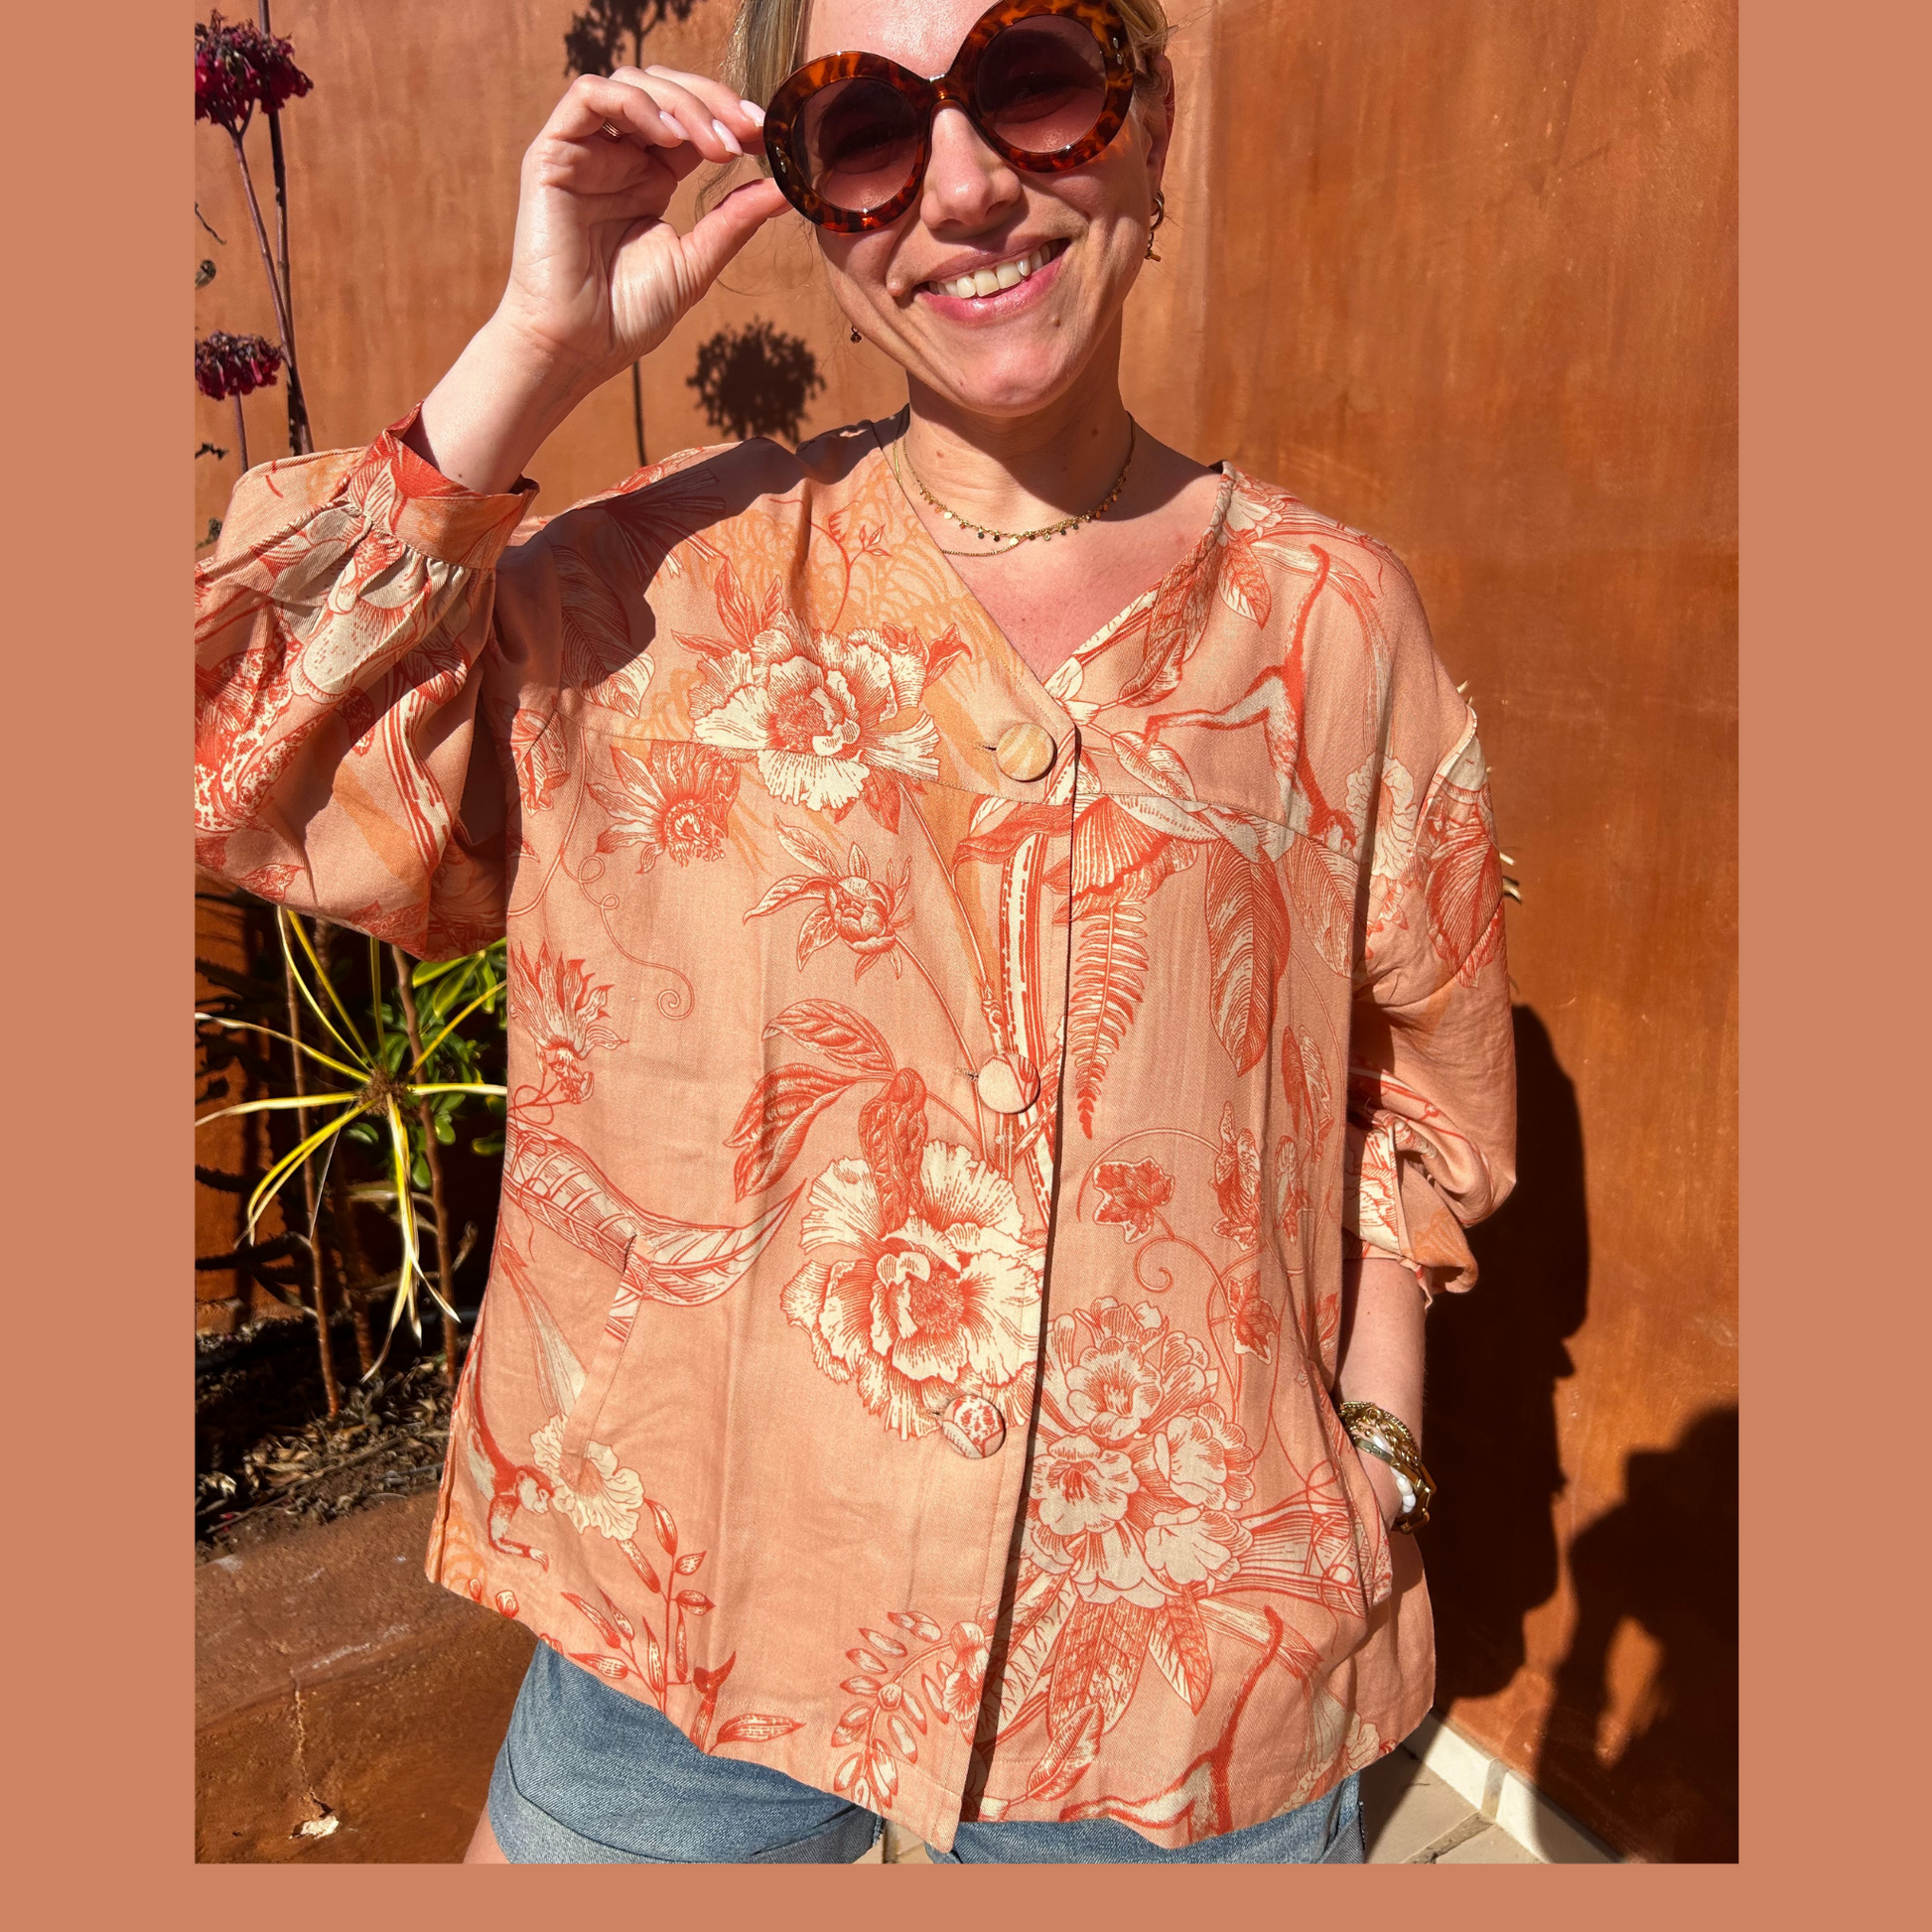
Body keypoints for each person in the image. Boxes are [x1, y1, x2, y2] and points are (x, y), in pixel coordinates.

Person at [194, 0, 1516, 1865]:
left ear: (1149, 120)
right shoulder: (635, 595)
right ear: (805, 196)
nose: (962, 188)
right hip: (686, 1626)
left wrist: (1373, 1454)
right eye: (871, 124)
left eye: (1035, 82)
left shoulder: (1330, 625)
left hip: (1173, 1655)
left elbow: (1408, 1093)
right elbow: (236, 755)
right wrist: (533, 350)